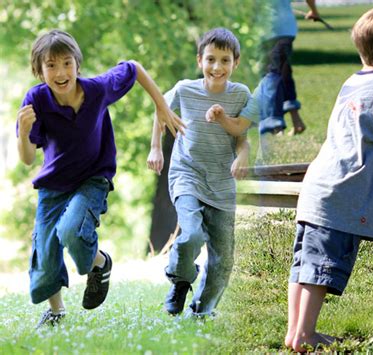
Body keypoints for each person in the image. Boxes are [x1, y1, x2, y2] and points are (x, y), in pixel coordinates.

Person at [16, 29, 184, 328]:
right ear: (39, 71)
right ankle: (56, 311)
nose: (60, 72)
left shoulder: (97, 89)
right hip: (53, 185)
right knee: (45, 251)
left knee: (71, 231)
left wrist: (161, 105)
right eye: (51, 65)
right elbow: (28, 158)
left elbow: (133, 68)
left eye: (67, 63)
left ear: (77, 64)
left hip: (93, 178)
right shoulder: (36, 100)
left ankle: (98, 263)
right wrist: (24, 133)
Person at [284, 8, 373, 352]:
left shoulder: (353, 81)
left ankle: (296, 331)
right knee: (320, 268)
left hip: (318, 187)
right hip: (342, 193)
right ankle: (304, 335)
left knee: (304, 265)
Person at [147, 28, 258, 317]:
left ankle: (202, 310)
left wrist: (243, 156)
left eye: (225, 60)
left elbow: (242, 138)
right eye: (210, 59)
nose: (217, 67)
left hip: (223, 182)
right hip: (187, 174)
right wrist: (156, 148)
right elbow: (161, 110)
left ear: (235, 63)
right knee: (191, 233)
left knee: (223, 260)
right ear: (199, 61)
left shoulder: (240, 95)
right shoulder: (185, 89)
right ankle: (180, 280)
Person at [258, 0, 320, 136]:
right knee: (284, 73)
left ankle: (275, 125)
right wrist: (314, 11)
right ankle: (296, 121)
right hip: (286, 29)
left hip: (270, 30)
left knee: (271, 75)